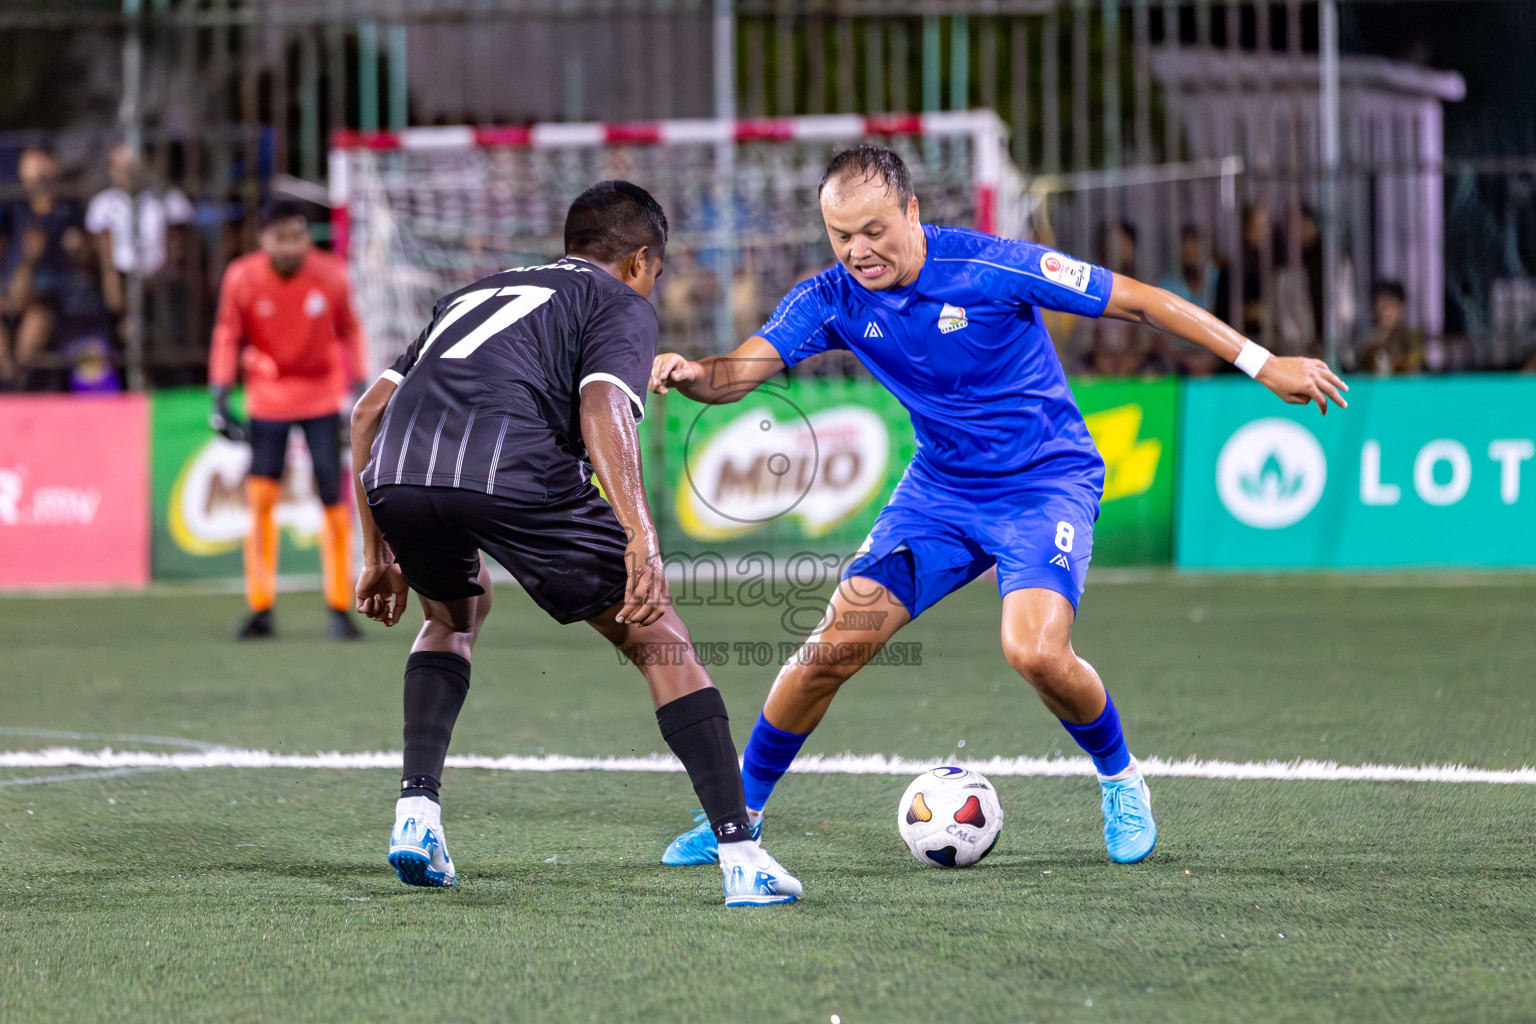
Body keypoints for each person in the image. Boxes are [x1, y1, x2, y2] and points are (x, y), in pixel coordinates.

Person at [650, 145, 1348, 868]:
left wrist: (1264, 364)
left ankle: (1120, 777)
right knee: (831, 646)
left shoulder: (992, 267)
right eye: (841, 235)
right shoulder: (830, 298)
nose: (858, 250)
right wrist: (692, 372)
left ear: (913, 211)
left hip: (1045, 482)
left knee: (1035, 651)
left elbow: (1139, 300)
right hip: (940, 493)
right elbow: (739, 372)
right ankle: (739, 818)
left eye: (874, 230)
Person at [348, 180, 802, 907]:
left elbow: (368, 415)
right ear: (640, 260)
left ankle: (416, 816)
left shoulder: (474, 293)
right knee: (656, 631)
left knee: (451, 616)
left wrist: (376, 554)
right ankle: (742, 856)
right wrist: (639, 534)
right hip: (511, 466)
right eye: (656, 272)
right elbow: (601, 407)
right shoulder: (618, 300)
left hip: (399, 472)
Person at [207, 200, 367, 640]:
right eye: (281, 238)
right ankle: (260, 606)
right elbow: (227, 333)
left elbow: (350, 329)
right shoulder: (242, 277)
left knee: (333, 501)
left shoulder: (331, 274)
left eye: (298, 236)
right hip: (268, 399)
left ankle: (340, 604)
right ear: (263, 240)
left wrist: (361, 383)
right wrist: (219, 395)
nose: (291, 246)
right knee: (261, 500)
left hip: (321, 396)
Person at [0, 148, 85, 388]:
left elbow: (81, 260)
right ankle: (6, 377)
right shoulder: (15, 210)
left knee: (38, 315)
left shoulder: (68, 209)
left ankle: (19, 382)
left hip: (54, 294)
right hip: (15, 289)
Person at [1157, 225, 1223, 376]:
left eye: (1195, 248)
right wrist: (1180, 360)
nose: (1190, 253)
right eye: (1185, 250)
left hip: (1217, 358)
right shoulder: (1168, 283)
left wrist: (1216, 359)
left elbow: (1231, 325)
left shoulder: (1220, 279)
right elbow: (1159, 336)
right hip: (1178, 363)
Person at [1357, 280, 1423, 375]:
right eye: (1383, 305)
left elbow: (1415, 368)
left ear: (1401, 308)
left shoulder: (1411, 338)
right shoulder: (1366, 338)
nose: (1387, 312)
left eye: (1391, 305)